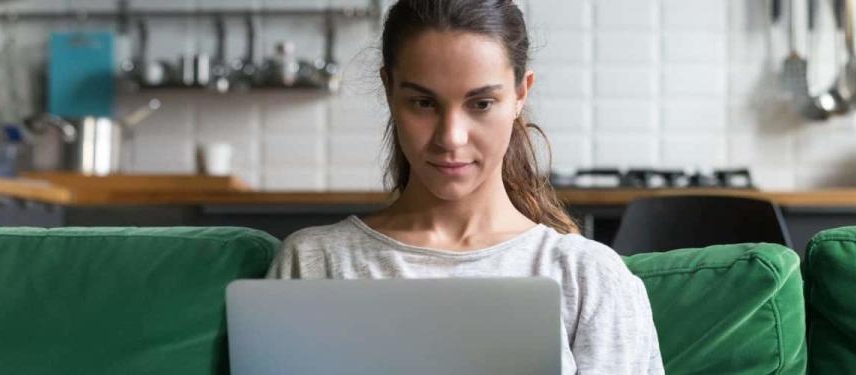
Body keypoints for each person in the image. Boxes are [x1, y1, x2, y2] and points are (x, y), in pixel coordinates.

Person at [267, 0, 664, 373]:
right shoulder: (314, 263)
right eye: (423, 103)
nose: (451, 138)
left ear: (520, 94)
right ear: (389, 90)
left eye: (481, 104)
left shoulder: (589, 277)